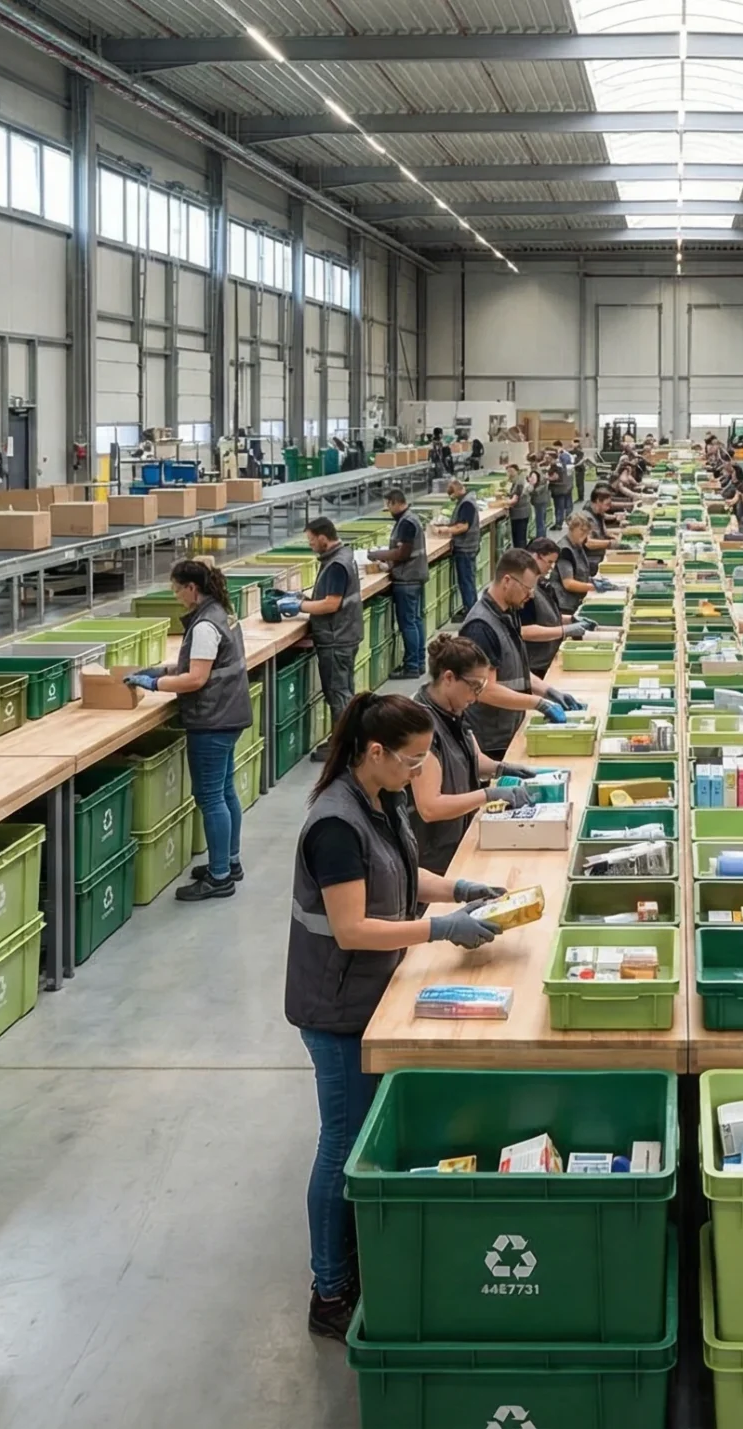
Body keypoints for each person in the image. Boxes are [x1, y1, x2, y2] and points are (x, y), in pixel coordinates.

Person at [286, 694, 507, 1338]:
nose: (420, 772)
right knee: (344, 1143)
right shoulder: (333, 823)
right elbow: (353, 928)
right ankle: (330, 1291)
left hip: (373, 992)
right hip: (337, 1005)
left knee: (361, 1133)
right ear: (374, 752)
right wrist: (440, 927)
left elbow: (401, 873)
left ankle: (362, 1255)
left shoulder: (377, 799)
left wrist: (460, 888)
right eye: (412, 761)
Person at [123, 560, 254, 900]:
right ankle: (231, 861)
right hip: (231, 713)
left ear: (192, 589)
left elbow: (196, 679)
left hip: (212, 719)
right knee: (225, 791)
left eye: (177, 589)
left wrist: (155, 683)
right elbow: (205, 665)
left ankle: (220, 877)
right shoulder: (222, 612)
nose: (175, 595)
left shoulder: (204, 626)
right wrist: (164, 669)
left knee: (211, 797)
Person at [408, 635, 537, 874]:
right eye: (475, 686)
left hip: (457, 835)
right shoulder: (421, 726)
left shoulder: (453, 709)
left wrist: (502, 768)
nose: (477, 696)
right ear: (449, 678)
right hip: (432, 854)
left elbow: (474, 760)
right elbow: (430, 807)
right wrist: (488, 794)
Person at [459, 550, 581, 761]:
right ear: (507, 581)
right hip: (492, 737)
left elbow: (516, 669)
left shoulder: (508, 613)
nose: (531, 595)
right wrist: (538, 703)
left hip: (510, 725)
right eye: (527, 588)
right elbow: (485, 690)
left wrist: (549, 692)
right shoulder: (480, 627)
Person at [291, 519, 365, 753]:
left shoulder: (336, 564)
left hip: (337, 637)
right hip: (345, 633)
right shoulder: (343, 555)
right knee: (344, 692)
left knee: (338, 693)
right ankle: (348, 740)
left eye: (312, 540)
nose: (311, 545)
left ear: (323, 537)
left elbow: (331, 604)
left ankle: (342, 749)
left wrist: (300, 607)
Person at [516, 538, 594, 679]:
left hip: (548, 658)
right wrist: (564, 631)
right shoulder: (524, 590)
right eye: (550, 562)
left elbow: (546, 616)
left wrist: (571, 619)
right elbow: (524, 630)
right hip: (535, 664)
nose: (551, 568)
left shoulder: (541, 582)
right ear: (535, 557)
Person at [373, 491, 430, 679]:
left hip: (407, 579)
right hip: (415, 576)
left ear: (396, 503)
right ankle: (419, 663)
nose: (388, 509)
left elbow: (402, 553)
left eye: (388, 505)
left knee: (408, 624)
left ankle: (412, 666)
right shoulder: (410, 519)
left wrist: (377, 555)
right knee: (415, 621)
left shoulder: (406, 522)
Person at [440, 479, 482, 620]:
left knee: (466, 580)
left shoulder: (466, 504)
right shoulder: (465, 501)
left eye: (451, 493)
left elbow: (463, 526)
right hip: (468, 546)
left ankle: (470, 612)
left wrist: (445, 530)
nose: (450, 496)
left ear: (457, 490)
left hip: (466, 547)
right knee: (468, 579)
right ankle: (471, 608)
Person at [505, 463, 535, 550]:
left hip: (520, 513)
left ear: (517, 471)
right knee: (518, 536)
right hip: (519, 512)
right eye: (508, 471)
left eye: (511, 471)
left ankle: (521, 554)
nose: (510, 473)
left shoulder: (519, 482)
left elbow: (515, 499)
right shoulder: (515, 481)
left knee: (520, 537)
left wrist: (505, 502)